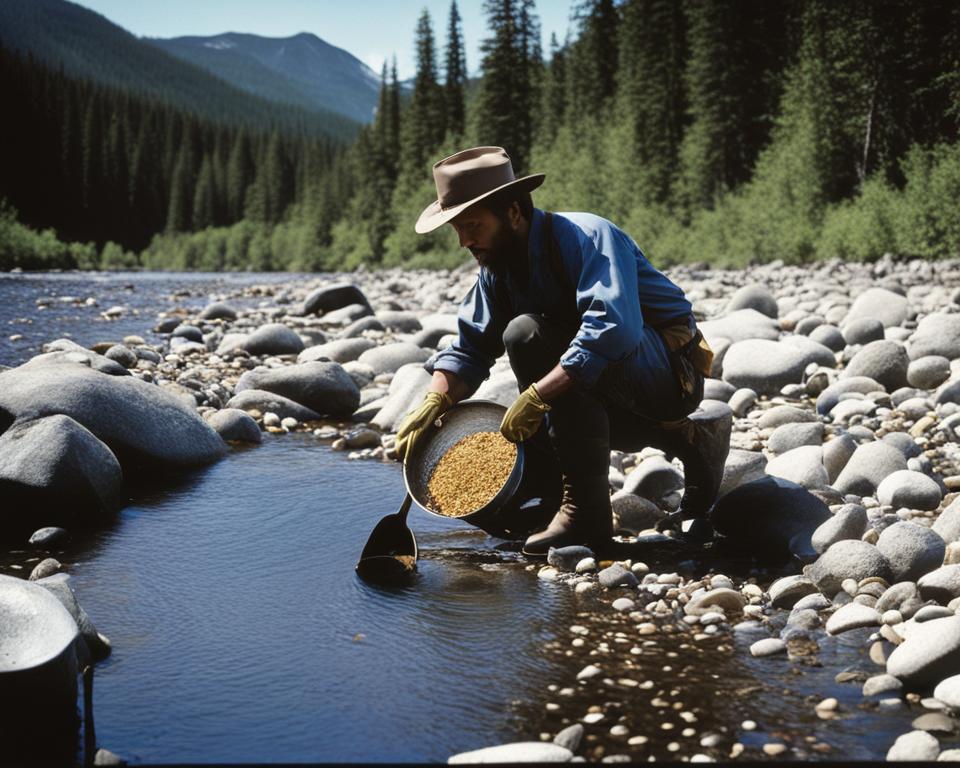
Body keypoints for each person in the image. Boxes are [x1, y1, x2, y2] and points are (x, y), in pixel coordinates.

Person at [394, 146, 730, 556]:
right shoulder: (498, 271)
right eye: (457, 230)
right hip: (610, 379)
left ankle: (584, 516)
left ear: (514, 212)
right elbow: (469, 347)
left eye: (473, 225)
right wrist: (435, 398)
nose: (465, 241)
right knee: (547, 385)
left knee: (526, 336)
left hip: (671, 375)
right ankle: (690, 443)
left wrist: (538, 396)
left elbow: (613, 330)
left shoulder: (587, 236)